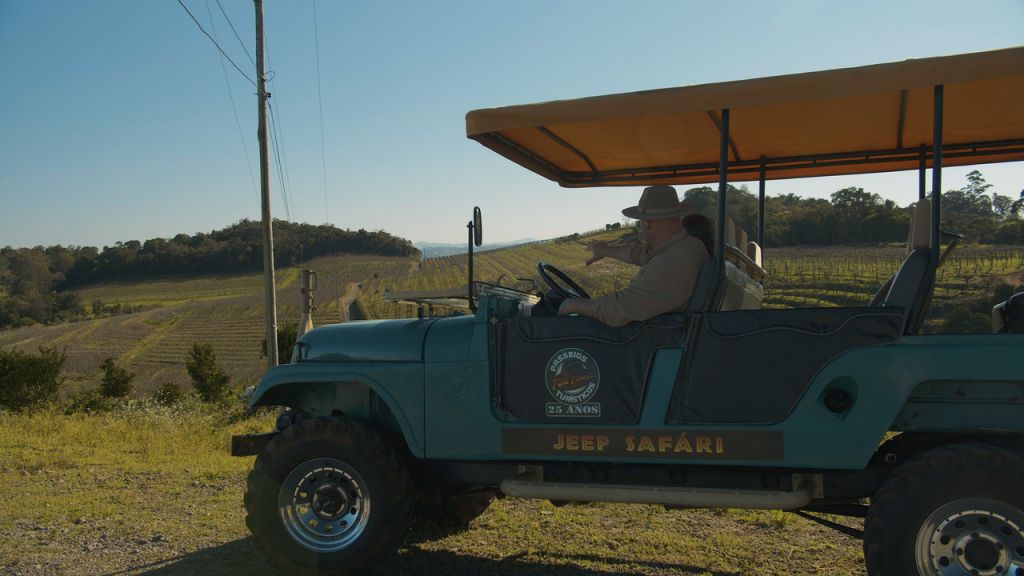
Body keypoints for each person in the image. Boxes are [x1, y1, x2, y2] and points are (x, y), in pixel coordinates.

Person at [558, 185, 711, 327]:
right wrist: (605, 250)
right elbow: (640, 254)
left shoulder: (672, 262)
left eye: (640, 221)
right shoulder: (687, 246)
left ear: (647, 223)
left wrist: (573, 305)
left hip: (655, 338)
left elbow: (620, 310)